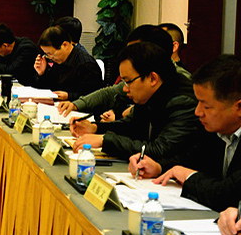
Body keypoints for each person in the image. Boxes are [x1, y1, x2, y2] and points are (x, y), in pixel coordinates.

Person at [127, 55, 241, 212]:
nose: (197, 112)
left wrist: (187, 176)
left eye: (206, 106)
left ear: (239, 107)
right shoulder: (216, 131)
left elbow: (226, 194)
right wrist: (159, 167)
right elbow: (192, 159)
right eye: (198, 102)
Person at [70, 41, 202, 159]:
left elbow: (160, 150)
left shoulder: (183, 101)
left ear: (153, 79)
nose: (124, 89)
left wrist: (105, 141)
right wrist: (95, 128)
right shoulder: (150, 95)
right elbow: (131, 126)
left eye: (128, 82)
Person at [58, 25, 178, 121]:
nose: (126, 88)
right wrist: (76, 105)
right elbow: (109, 92)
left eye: (135, 51)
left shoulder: (178, 89)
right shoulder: (142, 78)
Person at [32, 25, 103, 101]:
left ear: (65, 45)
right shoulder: (58, 60)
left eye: (50, 53)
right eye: (46, 54)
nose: (50, 57)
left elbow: (94, 96)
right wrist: (42, 73)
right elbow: (49, 88)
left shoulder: (86, 64)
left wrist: (69, 96)